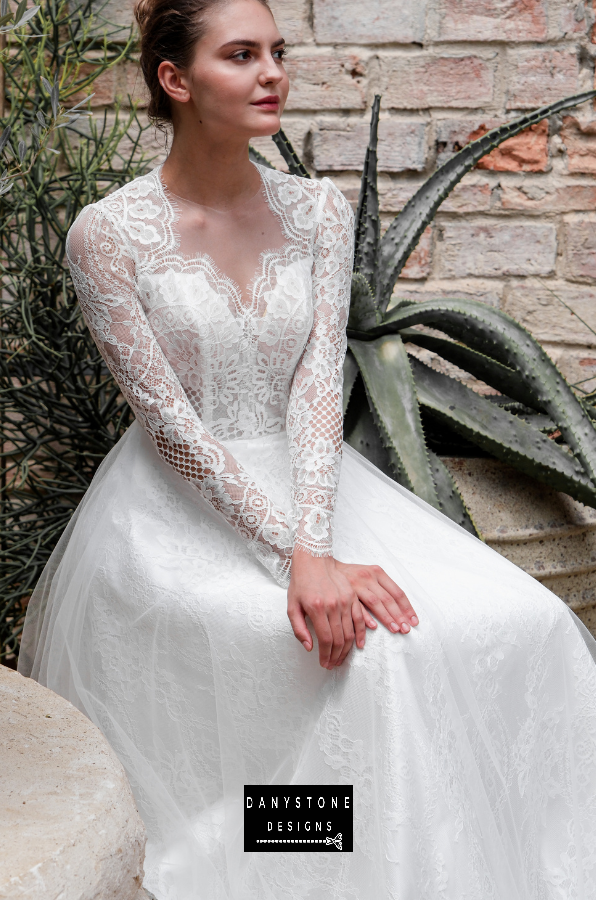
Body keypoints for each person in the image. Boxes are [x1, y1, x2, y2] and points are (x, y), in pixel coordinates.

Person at [17, 0, 596, 896]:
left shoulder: (318, 210)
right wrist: (295, 557)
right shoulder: (109, 234)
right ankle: (300, 864)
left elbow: (318, 385)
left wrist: (315, 546)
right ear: (175, 80)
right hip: (173, 512)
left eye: (277, 52)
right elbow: (172, 424)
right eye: (241, 55)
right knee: (367, 660)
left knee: (525, 619)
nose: (272, 72)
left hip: (322, 484)